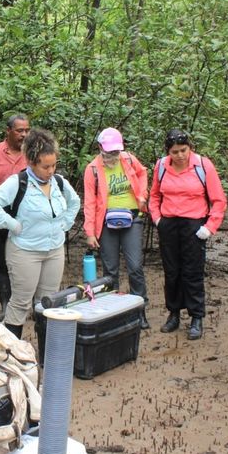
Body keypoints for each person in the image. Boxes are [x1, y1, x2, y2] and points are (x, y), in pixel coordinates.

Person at [0, 128, 80, 339]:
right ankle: (13, 354)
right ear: (32, 163)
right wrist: (13, 225)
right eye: (46, 167)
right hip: (25, 251)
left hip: (54, 249)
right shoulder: (18, 183)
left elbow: (74, 202)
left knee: (48, 302)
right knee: (20, 302)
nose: (51, 171)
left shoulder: (59, 182)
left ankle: (47, 353)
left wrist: (65, 223)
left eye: (54, 165)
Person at [149, 129, 227, 340]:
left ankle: (196, 317)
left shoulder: (203, 165)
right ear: (169, 152)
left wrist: (209, 227)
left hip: (194, 226)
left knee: (192, 272)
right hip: (168, 224)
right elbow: (154, 195)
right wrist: (157, 219)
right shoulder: (161, 166)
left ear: (190, 148)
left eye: (184, 150)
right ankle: (173, 314)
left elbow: (219, 200)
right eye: (175, 152)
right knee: (171, 272)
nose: (180, 155)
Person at [82, 127, 150, 329]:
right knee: (110, 271)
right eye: (108, 152)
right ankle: (114, 313)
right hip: (106, 222)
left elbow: (143, 172)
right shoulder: (92, 169)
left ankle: (140, 310)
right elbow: (89, 202)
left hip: (131, 217)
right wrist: (90, 232)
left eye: (115, 152)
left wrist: (142, 195)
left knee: (135, 266)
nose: (113, 156)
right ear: (100, 147)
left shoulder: (128, 159)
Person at [0, 114, 30, 320]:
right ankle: (5, 304)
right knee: (0, 260)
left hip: (27, 216)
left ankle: (28, 303)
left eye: (27, 130)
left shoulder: (32, 154)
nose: (24, 135)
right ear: (8, 131)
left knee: (27, 260)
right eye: (20, 131)